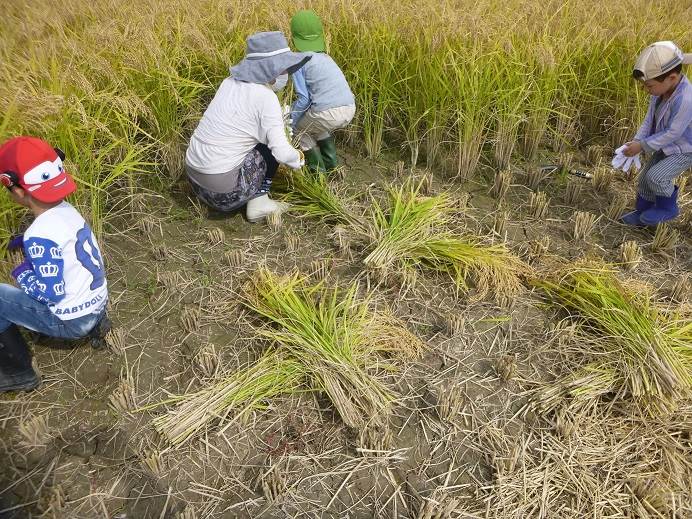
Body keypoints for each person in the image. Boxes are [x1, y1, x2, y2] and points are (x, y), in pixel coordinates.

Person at [0, 137, 110, 392]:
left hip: (72, 323)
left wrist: (23, 274)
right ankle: (99, 326)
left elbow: (52, 293)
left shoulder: (39, 235)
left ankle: (17, 373)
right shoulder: (68, 209)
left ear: (16, 190)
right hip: (97, 305)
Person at [185, 31, 310, 222]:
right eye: (283, 68)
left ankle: (251, 197)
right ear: (272, 70)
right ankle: (259, 204)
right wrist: (299, 158)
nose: (286, 74)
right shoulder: (266, 97)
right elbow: (282, 152)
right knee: (269, 147)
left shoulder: (228, 83)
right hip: (223, 195)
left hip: (194, 181)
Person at [620, 41, 692, 226]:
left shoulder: (686, 99)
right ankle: (643, 212)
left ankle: (667, 207)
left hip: (684, 149)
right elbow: (649, 120)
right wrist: (637, 140)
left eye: (649, 85)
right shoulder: (659, 92)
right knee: (644, 180)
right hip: (663, 144)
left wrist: (642, 146)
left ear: (672, 77)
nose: (646, 90)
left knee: (657, 177)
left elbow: (673, 133)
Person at [289, 10, 356, 173]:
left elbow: (304, 99)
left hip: (327, 112)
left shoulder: (299, 61)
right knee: (317, 126)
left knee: (300, 129)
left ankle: (317, 174)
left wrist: (290, 119)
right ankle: (333, 167)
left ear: (293, 38)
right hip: (349, 108)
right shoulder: (327, 58)